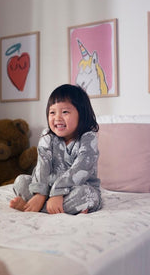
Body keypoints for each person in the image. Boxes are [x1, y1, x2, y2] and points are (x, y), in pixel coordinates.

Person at [9, 84, 102, 215]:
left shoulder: (88, 138)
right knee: (21, 181)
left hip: (76, 188)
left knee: (86, 195)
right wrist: (40, 193)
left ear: (81, 114)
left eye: (65, 112)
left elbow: (81, 169)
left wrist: (58, 192)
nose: (57, 118)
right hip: (47, 189)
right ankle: (47, 205)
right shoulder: (47, 136)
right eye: (52, 112)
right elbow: (42, 165)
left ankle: (34, 207)